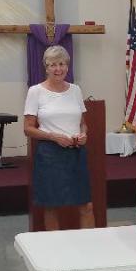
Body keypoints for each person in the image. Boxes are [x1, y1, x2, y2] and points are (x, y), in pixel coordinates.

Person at [23, 45, 94, 230]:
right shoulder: (35, 91)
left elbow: (82, 122)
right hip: (50, 155)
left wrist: (84, 134)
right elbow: (28, 129)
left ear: (67, 66)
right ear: (46, 68)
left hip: (76, 153)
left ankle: (93, 248)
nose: (58, 69)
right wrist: (54, 137)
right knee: (52, 207)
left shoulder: (76, 90)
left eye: (61, 64)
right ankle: (53, 254)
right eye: (53, 65)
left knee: (86, 205)